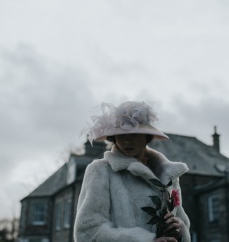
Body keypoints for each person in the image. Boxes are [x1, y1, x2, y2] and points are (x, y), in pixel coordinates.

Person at [74, 101, 191, 242]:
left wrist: (179, 231)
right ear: (113, 138)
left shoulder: (169, 175)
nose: (127, 141)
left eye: (134, 134)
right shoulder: (101, 170)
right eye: (121, 135)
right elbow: (87, 232)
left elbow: (181, 222)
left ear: (147, 137)